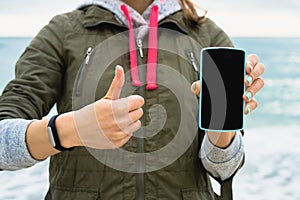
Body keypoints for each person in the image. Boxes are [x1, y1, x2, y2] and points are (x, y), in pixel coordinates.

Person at [0, 0, 265, 199]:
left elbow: (223, 168)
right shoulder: (64, 32)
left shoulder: (206, 36)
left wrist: (221, 130)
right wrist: (68, 130)